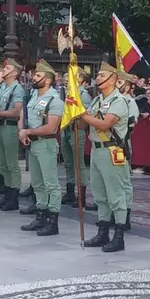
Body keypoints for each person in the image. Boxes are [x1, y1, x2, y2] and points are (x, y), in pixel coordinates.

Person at [83, 62, 133, 252]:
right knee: (100, 194)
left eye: (102, 75)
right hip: (96, 150)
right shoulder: (96, 101)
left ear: (113, 79)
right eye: (98, 75)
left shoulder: (118, 101)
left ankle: (118, 236)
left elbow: (105, 125)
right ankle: (102, 232)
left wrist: (82, 114)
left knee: (116, 194)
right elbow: (84, 124)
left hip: (112, 150)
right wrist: (76, 115)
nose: (98, 78)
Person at [19, 59, 64, 236]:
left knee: (51, 183)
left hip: (46, 143)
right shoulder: (33, 97)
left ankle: (53, 221)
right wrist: (23, 132)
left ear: (47, 80)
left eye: (38, 75)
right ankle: (41, 215)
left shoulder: (54, 99)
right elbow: (25, 114)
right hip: (34, 143)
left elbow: (52, 127)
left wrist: (27, 131)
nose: (33, 77)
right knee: (37, 183)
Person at [0, 59, 25, 211]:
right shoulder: (3, 87)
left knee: (12, 164)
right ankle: (7, 193)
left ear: (14, 73)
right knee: (3, 163)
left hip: (10, 127)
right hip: (1, 127)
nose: (4, 70)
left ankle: (14, 196)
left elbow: (16, 110)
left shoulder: (16, 89)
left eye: (8, 68)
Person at [61, 68, 95, 210]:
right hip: (66, 129)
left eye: (71, 76)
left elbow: (85, 115)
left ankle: (81, 196)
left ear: (80, 79)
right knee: (68, 163)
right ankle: (69, 192)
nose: (66, 78)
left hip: (77, 129)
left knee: (79, 164)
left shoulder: (83, 94)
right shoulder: (66, 93)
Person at [117, 70, 138, 230]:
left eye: (120, 82)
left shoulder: (129, 102)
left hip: (121, 144)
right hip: (110, 145)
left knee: (124, 181)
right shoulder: (114, 100)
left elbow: (131, 125)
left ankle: (126, 216)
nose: (117, 85)